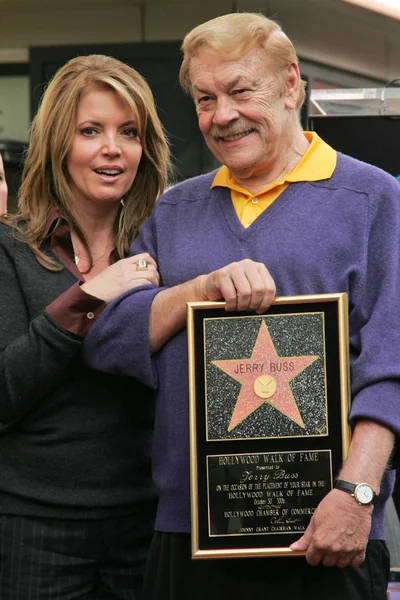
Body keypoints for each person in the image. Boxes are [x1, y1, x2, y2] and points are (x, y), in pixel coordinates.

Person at [83, 13, 400, 600]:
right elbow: (107, 340)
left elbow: (392, 364)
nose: (222, 114)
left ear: (291, 85)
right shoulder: (172, 210)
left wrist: (357, 494)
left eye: (240, 90)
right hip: (190, 534)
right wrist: (196, 291)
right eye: (205, 98)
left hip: (329, 532)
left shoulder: (374, 199)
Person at [0, 54, 170, 599]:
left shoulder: (164, 249)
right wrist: (92, 296)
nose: (112, 149)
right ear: (57, 143)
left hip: (149, 522)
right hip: (33, 524)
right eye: (90, 131)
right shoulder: (11, 246)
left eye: (129, 132)